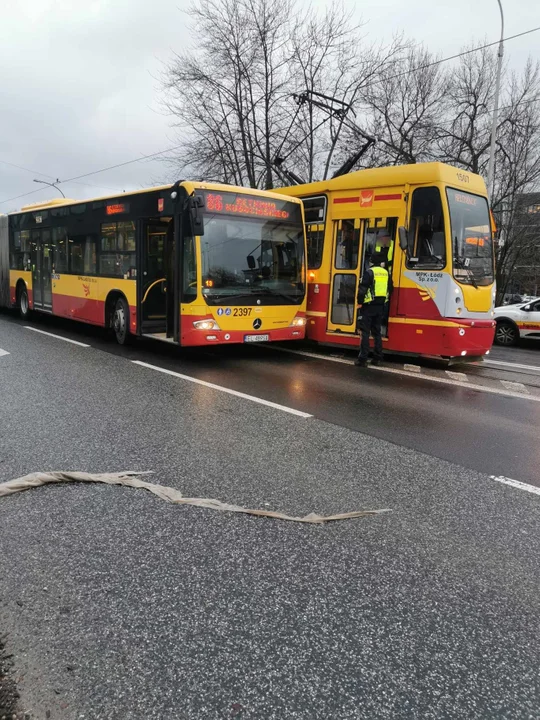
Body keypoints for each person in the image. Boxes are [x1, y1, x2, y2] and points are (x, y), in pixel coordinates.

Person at [355, 253, 389, 367]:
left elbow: (362, 289)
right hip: (380, 307)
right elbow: (390, 289)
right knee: (377, 333)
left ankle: (362, 359)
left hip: (368, 306)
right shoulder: (386, 273)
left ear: (372, 262)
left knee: (365, 332)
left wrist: (359, 302)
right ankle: (377, 358)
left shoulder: (369, 272)